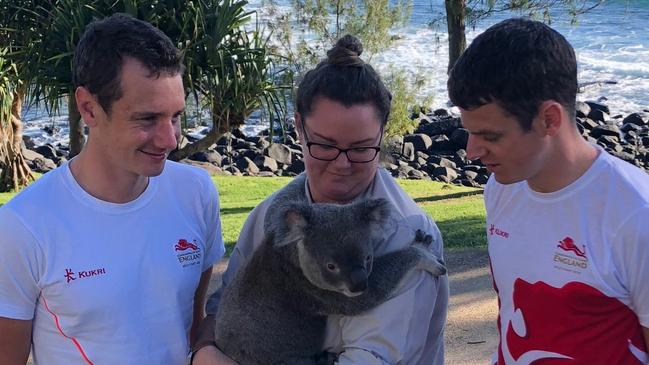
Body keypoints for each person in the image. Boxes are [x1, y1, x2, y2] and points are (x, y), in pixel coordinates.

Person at [191, 34, 449, 365]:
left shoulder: (404, 232)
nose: (342, 164)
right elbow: (222, 304)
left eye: (360, 148)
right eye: (325, 145)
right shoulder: (274, 215)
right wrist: (205, 352)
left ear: (382, 135)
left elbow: (371, 358)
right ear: (299, 128)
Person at [0, 14, 225, 364]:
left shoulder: (196, 194)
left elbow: (194, 326)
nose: (170, 139)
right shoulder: (23, 226)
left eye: (177, 116)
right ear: (89, 108)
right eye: (147, 119)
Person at [448, 18, 649, 364]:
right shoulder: (501, 189)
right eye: (470, 132)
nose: (471, 151)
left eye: (490, 136)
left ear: (549, 120)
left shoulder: (635, 214)